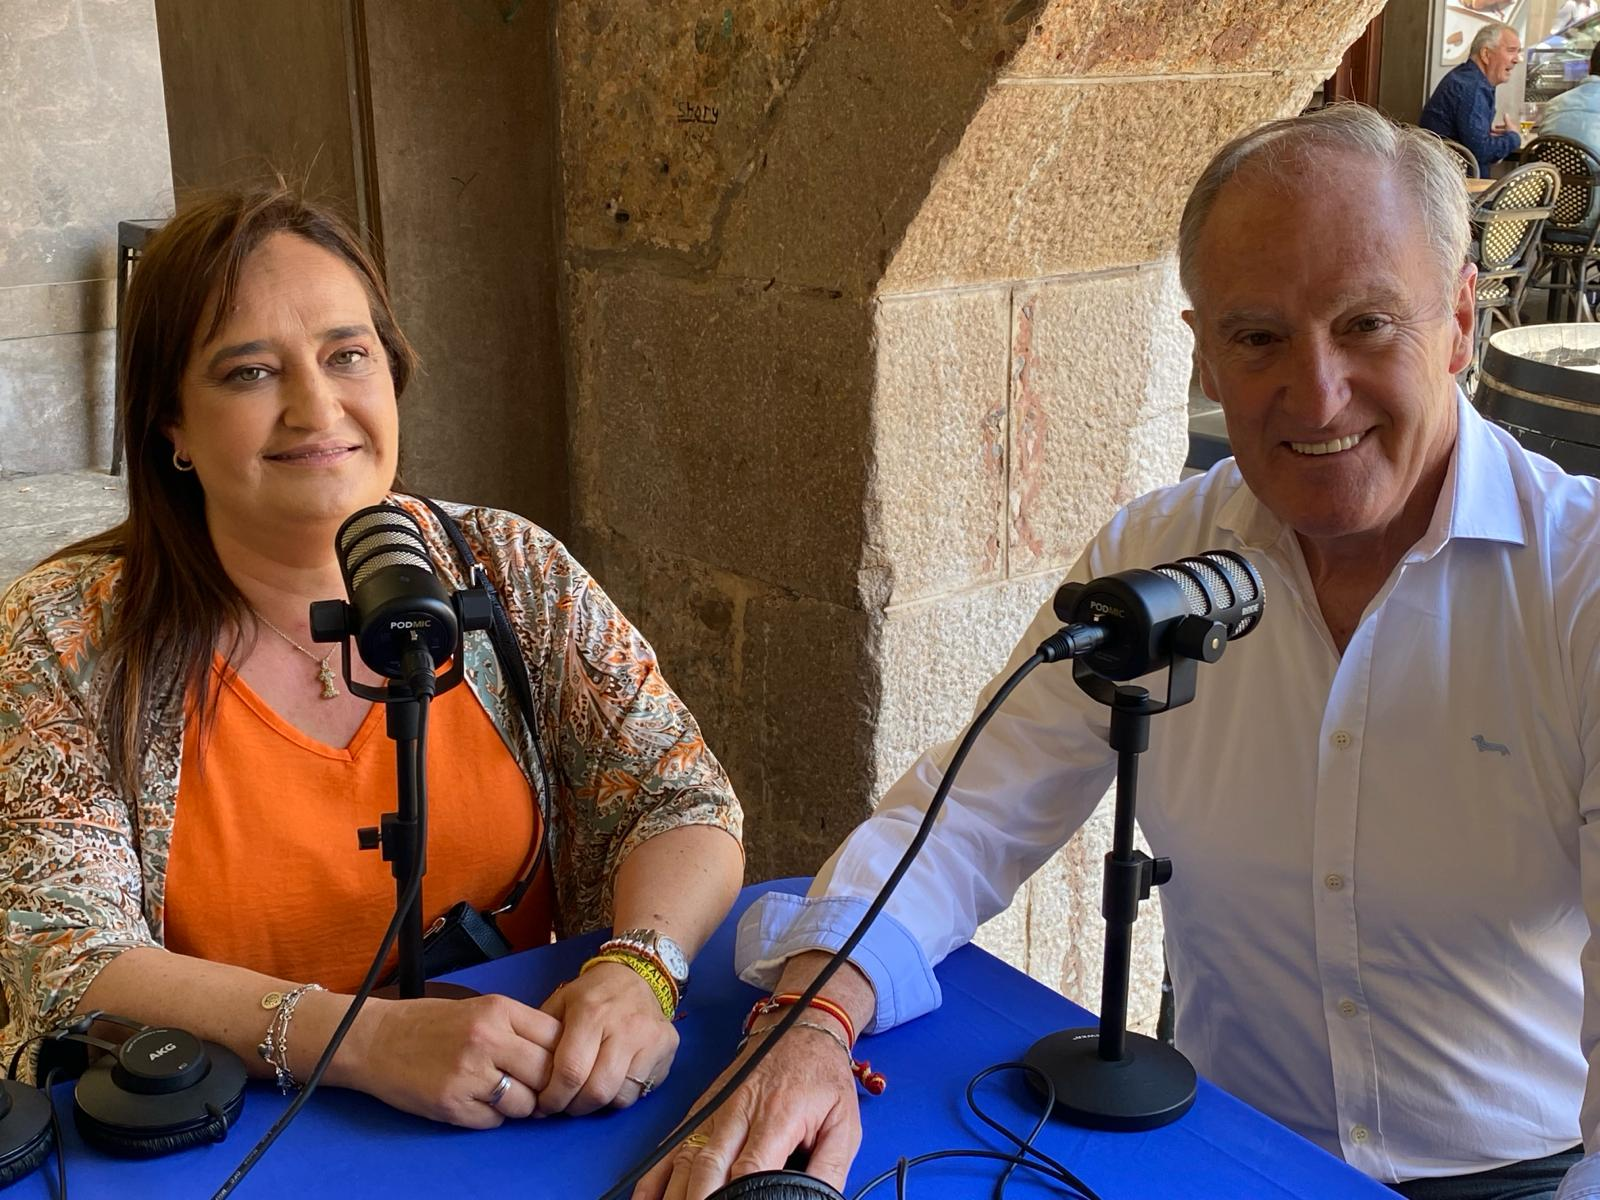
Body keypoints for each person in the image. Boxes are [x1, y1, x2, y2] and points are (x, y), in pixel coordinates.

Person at [637, 104, 1600, 1200]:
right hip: (1215, 1152)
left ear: (1460, 322)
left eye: (1367, 324)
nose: (1316, 391)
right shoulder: (1156, 554)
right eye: (1258, 337)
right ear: (1202, 351)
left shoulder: (1581, 584)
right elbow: (965, 818)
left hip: (1525, 1175)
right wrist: (808, 1018)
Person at [0, 186, 745, 1128]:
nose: (317, 409)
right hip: (225, 1144)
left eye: (347, 356)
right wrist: (364, 1042)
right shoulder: (66, 636)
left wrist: (642, 966)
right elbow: (62, 952)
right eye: (248, 373)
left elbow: (677, 798)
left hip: (528, 1117)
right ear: (171, 428)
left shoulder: (512, 571)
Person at [1421, 22, 1524, 169]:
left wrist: (1494, 143)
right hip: (1454, 184)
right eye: (1511, 50)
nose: (1517, 59)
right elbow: (1482, 152)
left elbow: (1477, 145)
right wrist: (1513, 137)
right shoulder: (1472, 87)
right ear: (1486, 54)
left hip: (1447, 175)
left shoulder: (1468, 79)